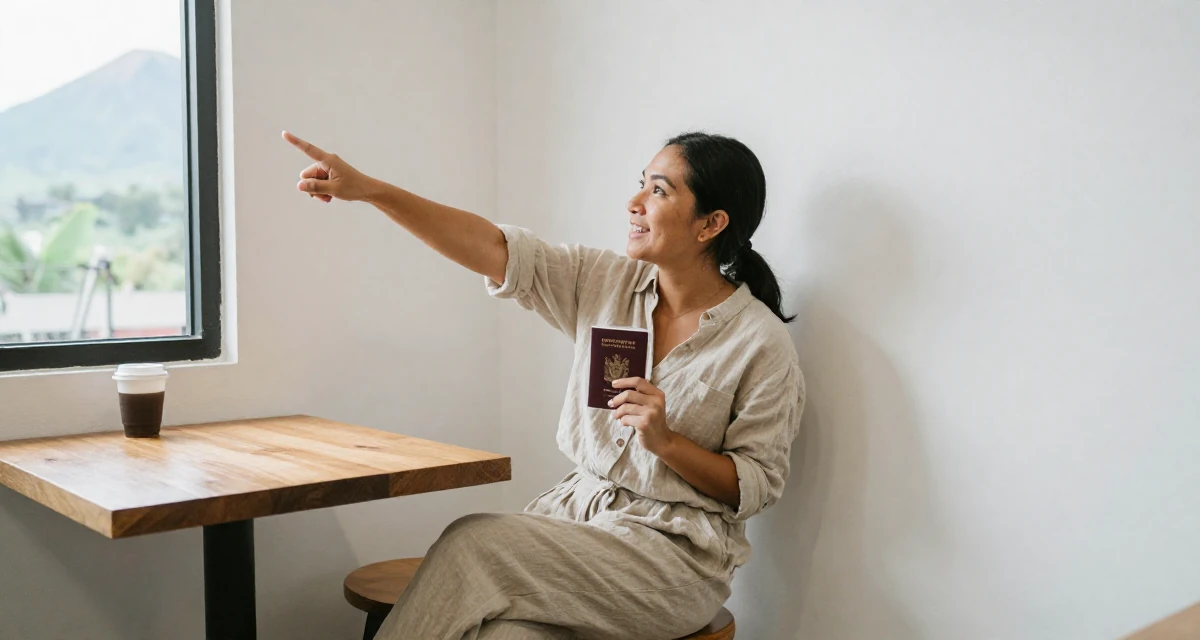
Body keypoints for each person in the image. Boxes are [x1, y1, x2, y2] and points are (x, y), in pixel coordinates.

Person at [283, 130, 805, 640]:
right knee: (504, 634)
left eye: (659, 191)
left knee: (473, 543)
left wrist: (666, 442)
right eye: (641, 183)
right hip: (575, 524)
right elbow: (491, 246)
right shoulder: (603, 283)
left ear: (711, 223)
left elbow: (755, 485)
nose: (634, 203)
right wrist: (371, 190)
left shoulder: (759, 343)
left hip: (671, 561)